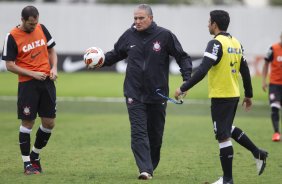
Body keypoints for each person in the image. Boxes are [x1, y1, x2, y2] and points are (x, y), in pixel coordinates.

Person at [92, 4, 192, 180]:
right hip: (134, 93)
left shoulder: (165, 35)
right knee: (138, 132)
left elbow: (182, 57)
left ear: (150, 18)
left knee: (155, 136)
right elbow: (116, 53)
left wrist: (186, 80)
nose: (137, 22)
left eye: (141, 18)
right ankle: (145, 170)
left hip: (158, 94)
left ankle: (150, 166)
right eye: (135, 18)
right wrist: (100, 60)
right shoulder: (129, 35)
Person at [174, 10, 268, 184]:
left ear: (214, 24)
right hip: (232, 94)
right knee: (227, 128)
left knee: (222, 135)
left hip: (222, 96)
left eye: (209, 21)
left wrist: (183, 87)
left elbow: (203, 69)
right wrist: (248, 94)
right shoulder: (236, 43)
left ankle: (227, 179)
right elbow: (245, 70)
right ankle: (258, 153)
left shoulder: (215, 44)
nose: (207, 24)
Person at [1, 6, 58, 175]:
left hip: (47, 83)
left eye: (36, 23)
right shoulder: (11, 36)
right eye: (31, 24)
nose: (34, 27)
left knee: (49, 123)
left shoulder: (41, 28)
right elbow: (9, 65)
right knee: (28, 123)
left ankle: (35, 155)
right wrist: (33, 74)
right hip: (27, 85)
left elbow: (51, 49)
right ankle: (27, 164)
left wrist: (54, 68)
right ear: (23, 20)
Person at [262, 32, 282, 142]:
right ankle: (276, 133)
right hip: (275, 85)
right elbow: (265, 64)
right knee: (275, 107)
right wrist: (264, 81)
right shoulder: (273, 49)